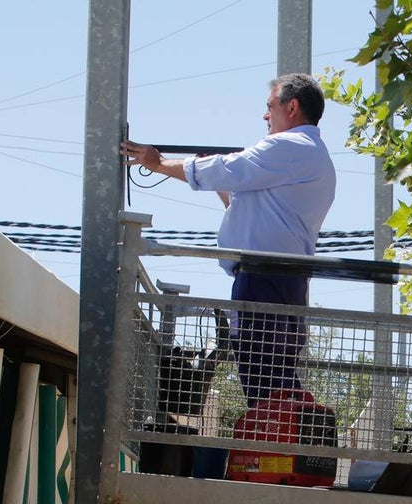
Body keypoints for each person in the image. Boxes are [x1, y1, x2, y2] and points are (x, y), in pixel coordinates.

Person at [121, 72, 336, 405]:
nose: (265, 116)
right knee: (273, 372)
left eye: (270, 106)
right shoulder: (309, 153)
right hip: (281, 279)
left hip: (264, 276)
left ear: (291, 107)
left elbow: (227, 168)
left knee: (262, 371)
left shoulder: (290, 146)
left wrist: (159, 163)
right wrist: (225, 189)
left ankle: (276, 445)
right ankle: (284, 443)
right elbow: (253, 206)